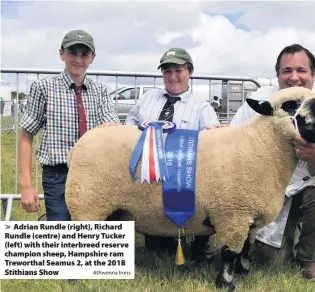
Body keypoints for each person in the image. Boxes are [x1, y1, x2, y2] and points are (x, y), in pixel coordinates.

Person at [230, 44, 315, 279]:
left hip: (309, 183)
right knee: (269, 260)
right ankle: (280, 235)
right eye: (287, 70)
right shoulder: (260, 99)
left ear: (314, 74)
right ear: (278, 74)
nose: (294, 77)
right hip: (269, 187)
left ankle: (309, 257)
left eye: (301, 70)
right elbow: (234, 138)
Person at [125, 47, 220, 258]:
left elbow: (212, 149)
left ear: (190, 71)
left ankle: (197, 241)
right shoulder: (147, 99)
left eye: (178, 70)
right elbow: (129, 129)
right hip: (147, 178)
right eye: (167, 71)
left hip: (184, 181)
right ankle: (155, 233)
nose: (173, 76)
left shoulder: (202, 108)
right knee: (156, 249)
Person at [19, 29, 120, 221]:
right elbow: (26, 134)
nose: (78, 59)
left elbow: (112, 125)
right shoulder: (44, 88)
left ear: (93, 58)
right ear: (61, 54)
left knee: (93, 228)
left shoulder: (101, 91)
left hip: (94, 171)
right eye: (73, 53)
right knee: (63, 236)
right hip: (58, 173)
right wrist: (26, 185)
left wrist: (111, 129)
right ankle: (51, 221)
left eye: (84, 54)